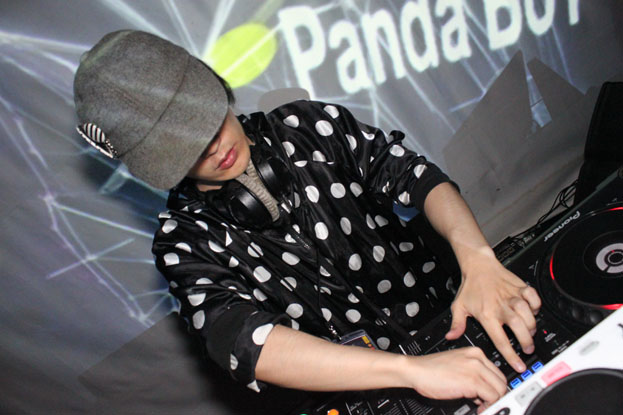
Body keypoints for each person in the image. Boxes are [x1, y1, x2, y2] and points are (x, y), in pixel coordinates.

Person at [73, 30, 541, 412]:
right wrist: (410, 372)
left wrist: (478, 261)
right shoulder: (185, 243)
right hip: (365, 391)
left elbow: (414, 177)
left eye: (207, 121)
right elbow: (246, 343)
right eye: (185, 149)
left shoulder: (307, 128)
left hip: (453, 320)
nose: (213, 148)